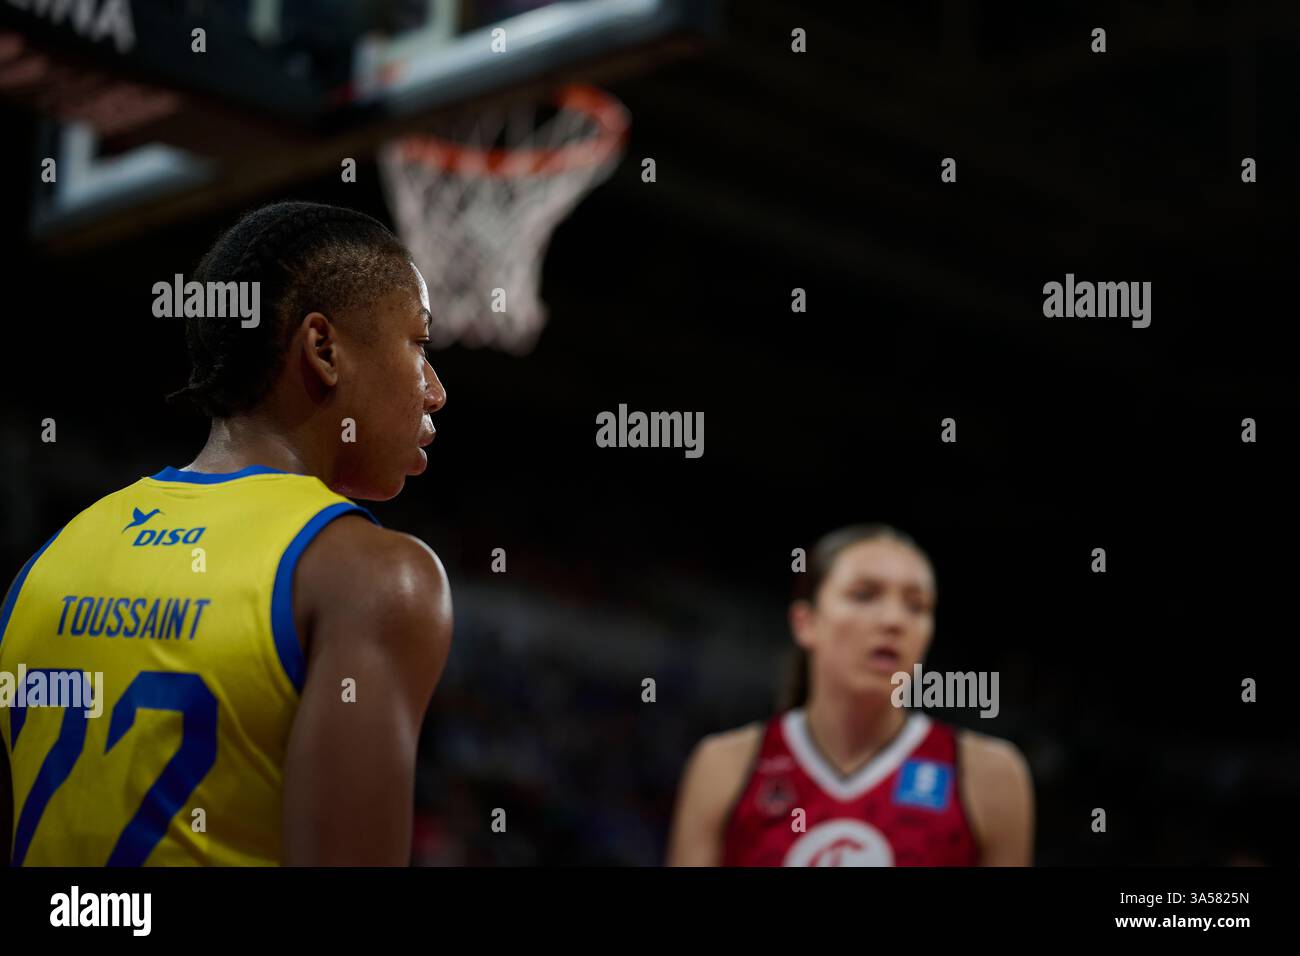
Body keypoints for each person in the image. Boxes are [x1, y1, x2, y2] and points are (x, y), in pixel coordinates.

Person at [0, 201, 452, 866]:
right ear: (324, 349)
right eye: (419, 344)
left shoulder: (50, 559)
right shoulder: (376, 578)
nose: (435, 391)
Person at [667, 524, 1033, 866]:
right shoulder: (725, 766)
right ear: (806, 622)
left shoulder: (988, 775)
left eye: (917, 605)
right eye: (864, 595)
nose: (894, 620)